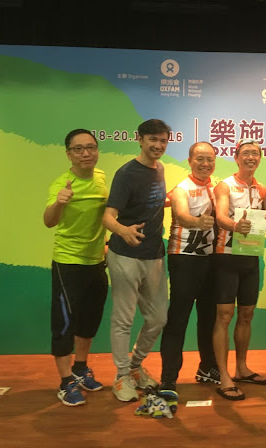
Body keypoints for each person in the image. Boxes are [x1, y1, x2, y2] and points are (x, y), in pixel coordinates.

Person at [102, 119, 171, 402]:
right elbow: (108, 217)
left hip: (154, 256)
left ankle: (134, 366)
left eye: (163, 140)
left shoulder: (160, 169)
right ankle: (121, 376)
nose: (158, 145)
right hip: (125, 255)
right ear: (140, 139)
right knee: (124, 319)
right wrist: (123, 231)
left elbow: (149, 202)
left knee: (158, 318)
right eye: (153, 139)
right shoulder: (126, 174)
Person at [44, 129, 108, 406]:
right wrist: (59, 204)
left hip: (96, 262)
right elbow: (49, 221)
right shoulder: (62, 184)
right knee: (64, 324)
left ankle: (80, 368)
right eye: (79, 149)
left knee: (89, 320)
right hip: (68, 262)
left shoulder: (101, 177)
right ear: (69, 154)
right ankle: (65, 381)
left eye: (91, 147)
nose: (86, 153)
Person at [212, 139, 266, 401]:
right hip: (226, 257)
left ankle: (241, 368)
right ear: (236, 157)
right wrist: (234, 226)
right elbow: (220, 217)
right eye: (246, 153)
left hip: (250, 257)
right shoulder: (225, 185)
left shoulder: (262, 190)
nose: (251, 157)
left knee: (247, 315)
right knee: (224, 316)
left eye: (255, 153)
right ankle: (223, 375)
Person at [159, 142, 220, 394]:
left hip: (210, 260)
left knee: (209, 317)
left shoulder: (217, 189)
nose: (205, 164)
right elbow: (182, 215)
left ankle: (208, 367)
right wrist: (197, 222)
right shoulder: (181, 189)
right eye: (200, 159)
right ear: (190, 160)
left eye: (210, 159)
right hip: (184, 259)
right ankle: (169, 378)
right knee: (179, 317)